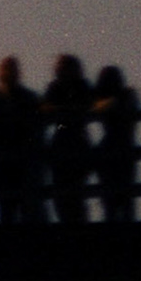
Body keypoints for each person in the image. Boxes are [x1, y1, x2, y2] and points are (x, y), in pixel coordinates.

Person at [0, 55, 45, 223]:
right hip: (7, 159)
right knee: (9, 207)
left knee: (21, 206)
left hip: (18, 159)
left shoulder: (0, 97)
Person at [42, 54, 94, 225]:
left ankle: (74, 222)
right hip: (68, 141)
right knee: (65, 191)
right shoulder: (57, 87)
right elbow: (45, 108)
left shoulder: (81, 87)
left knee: (73, 190)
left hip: (72, 141)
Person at [91, 65, 140, 223]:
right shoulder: (122, 95)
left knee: (121, 200)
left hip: (120, 148)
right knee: (115, 201)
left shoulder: (128, 94)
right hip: (119, 148)